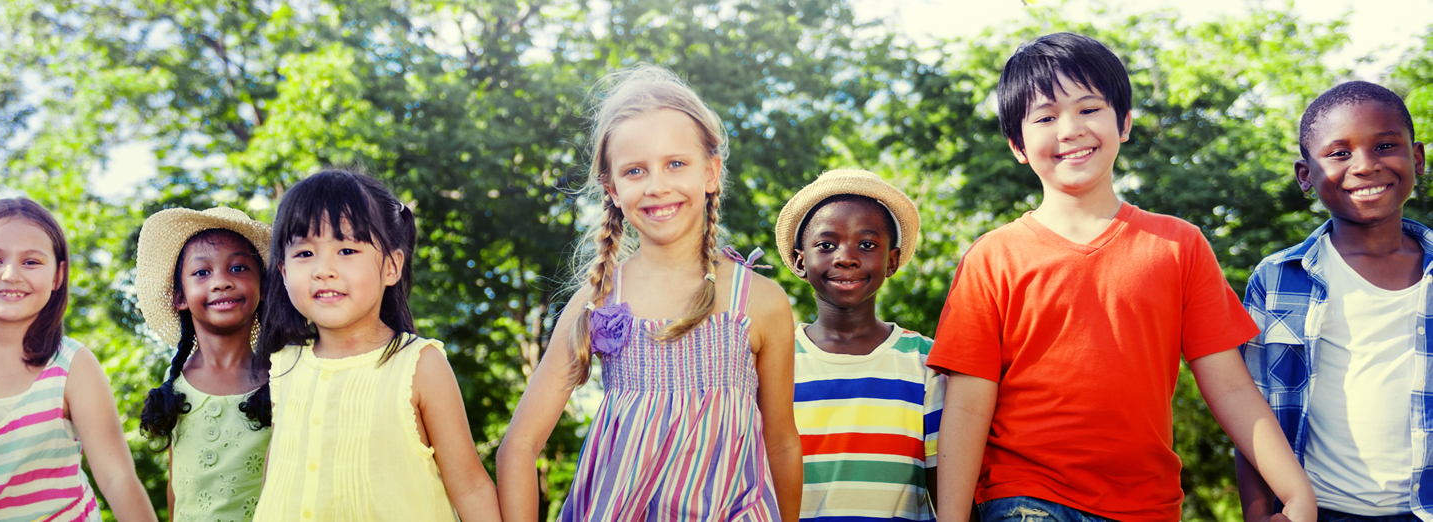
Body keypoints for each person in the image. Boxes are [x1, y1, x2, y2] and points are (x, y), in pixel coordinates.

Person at [928, 32, 1317, 522]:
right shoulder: (991, 257)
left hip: (1148, 505)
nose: (1069, 129)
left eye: (1088, 109)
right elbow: (966, 406)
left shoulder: (1180, 245)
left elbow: (1232, 388)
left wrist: (1298, 495)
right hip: (1025, 497)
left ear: (1124, 122)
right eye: (1046, 117)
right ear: (1018, 145)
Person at [496, 64, 802, 521]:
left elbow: (780, 443)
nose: (657, 186)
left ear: (711, 172)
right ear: (612, 188)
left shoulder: (761, 302)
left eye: (675, 163)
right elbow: (518, 446)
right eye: (635, 170)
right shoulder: (597, 300)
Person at [250, 168, 500, 521]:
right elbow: (278, 479)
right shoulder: (284, 364)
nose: (324, 269)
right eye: (304, 253)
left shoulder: (419, 364)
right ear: (284, 271)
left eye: (347, 249)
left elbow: (471, 487)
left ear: (392, 266)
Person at [1237, 81, 1429, 522]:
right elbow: (1253, 413)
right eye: (1340, 153)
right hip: (1320, 511)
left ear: (1416, 158)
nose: (1364, 165)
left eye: (1384, 145)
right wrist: (1259, 515)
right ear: (1306, 175)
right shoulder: (1278, 279)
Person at [0, 198, 157, 521]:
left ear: (58, 276)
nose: (11, 274)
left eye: (31, 262)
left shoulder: (73, 365)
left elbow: (117, 478)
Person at [775, 169, 944, 521]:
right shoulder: (776, 361)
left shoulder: (926, 361)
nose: (846, 257)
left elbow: (945, 488)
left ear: (892, 260)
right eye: (826, 244)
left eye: (867, 245)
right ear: (800, 260)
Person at [135, 207, 274, 520]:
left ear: (263, 288)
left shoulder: (281, 382)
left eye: (238, 268)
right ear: (179, 297)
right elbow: (176, 491)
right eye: (202, 272)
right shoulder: (175, 391)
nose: (222, 282)